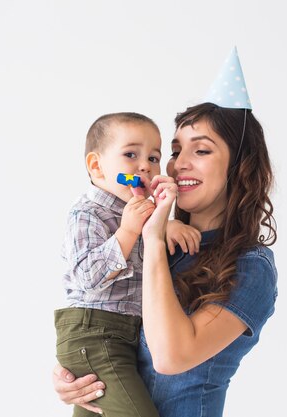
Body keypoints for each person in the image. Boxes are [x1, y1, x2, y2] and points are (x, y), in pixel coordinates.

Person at [53, 48, 278, 417]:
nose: (178, 164)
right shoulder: (163, 245)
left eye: (201, 150)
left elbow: (171, 357)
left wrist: (154, 236)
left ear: (238, 169)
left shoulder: (251, 267)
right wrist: (75, 370)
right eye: (174, 151)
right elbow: (107, 318)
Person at [55, 112, 201, 417]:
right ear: (96, 166)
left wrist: (166, 225)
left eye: (154, 157)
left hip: (123, 336)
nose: (145, 166)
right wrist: (128, 231)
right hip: (95, 333)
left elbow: (154, 242)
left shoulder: (143, 213)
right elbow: (86, 277)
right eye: (131, 154)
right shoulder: (87, 213)